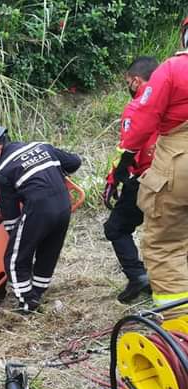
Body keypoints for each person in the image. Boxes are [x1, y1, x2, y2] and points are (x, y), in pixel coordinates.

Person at [0, 125, 82, 312]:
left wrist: (16, 237)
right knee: (48, 251)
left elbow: (10, 214)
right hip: (63, 206)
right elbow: (75, 162)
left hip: (39, 209)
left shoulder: (2, 168)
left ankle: (27, 301)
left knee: (14, 259)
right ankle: (37, 291)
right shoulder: (42, 146)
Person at [122, 17, 188, 306]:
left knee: (165, 245)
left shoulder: (173, 69)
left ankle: (179, 330)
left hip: (178, 160)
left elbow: (142, 120)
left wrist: (127, 154)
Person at [102, 56, 159, 303]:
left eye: (128, 82)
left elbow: (128, 148)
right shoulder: (173, 98)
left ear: (136, 81)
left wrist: (113, 179)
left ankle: (138, 276)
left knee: (116, 227)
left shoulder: (138, 107)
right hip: (177, 173)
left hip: (145, 179)